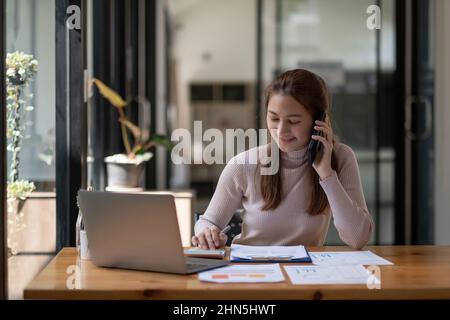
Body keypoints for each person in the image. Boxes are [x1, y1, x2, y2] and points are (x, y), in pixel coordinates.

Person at [192, 69, 373, 250]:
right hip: (250, 270)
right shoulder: (244, 165)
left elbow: (357, 238)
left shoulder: (340, 158)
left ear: (319, 122)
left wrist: (327, 174)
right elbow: (208, 221)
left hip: (304, 273)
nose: (281, 131)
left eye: (293, 121)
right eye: (274, 118)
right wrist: (207, 232)